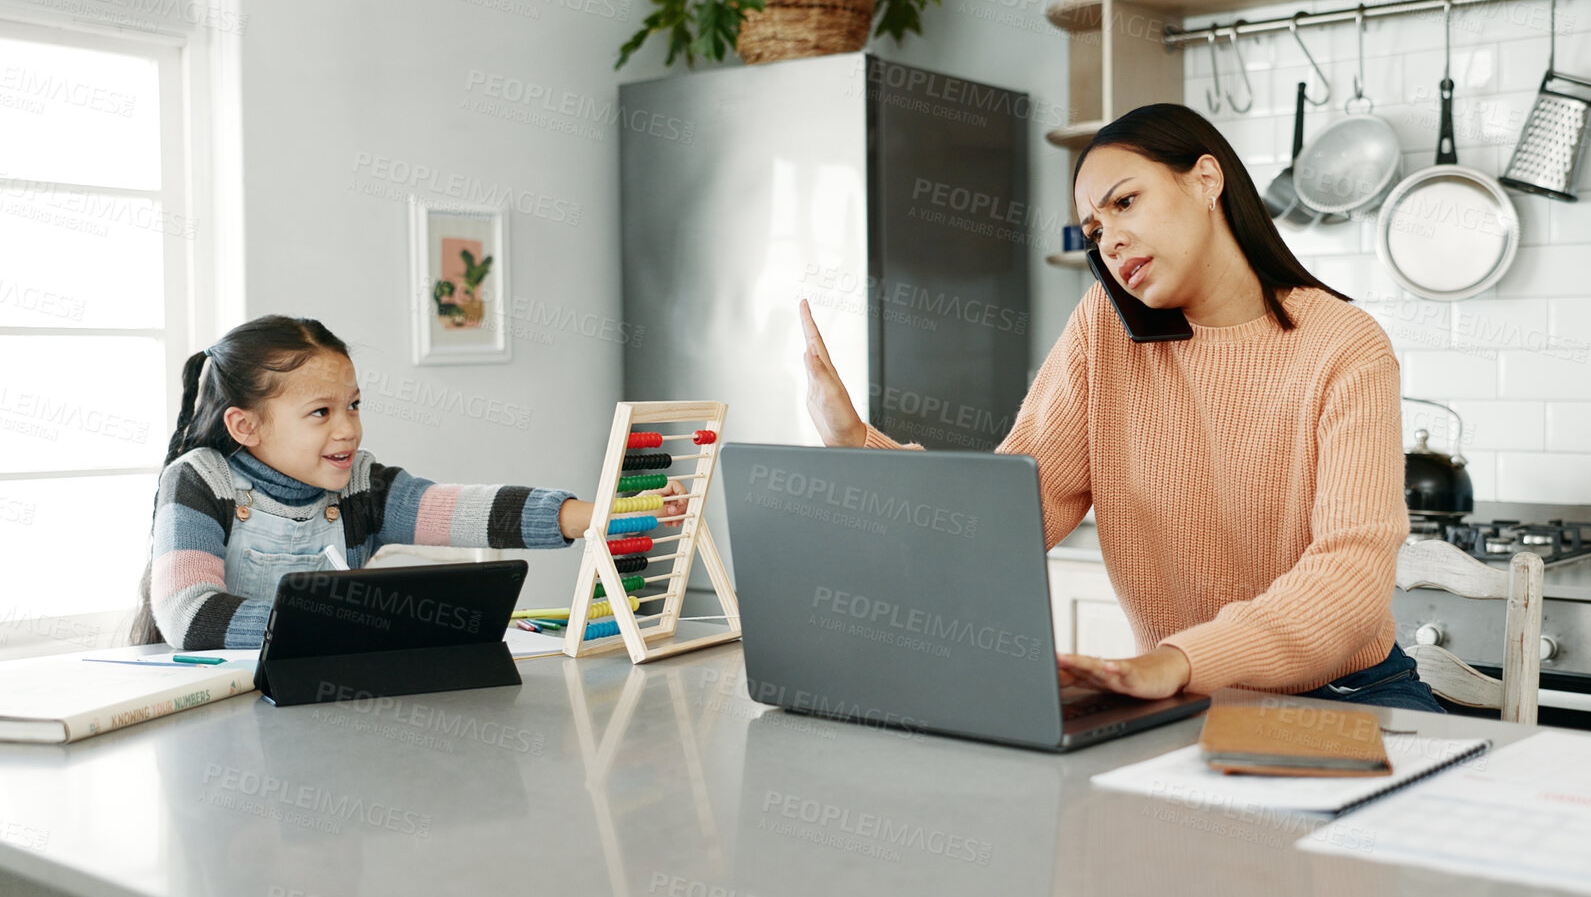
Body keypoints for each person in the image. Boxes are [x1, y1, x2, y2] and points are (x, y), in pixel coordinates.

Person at [798, 103, 1440, 712]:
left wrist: (1181, 659)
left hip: (1346, 696)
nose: (1110, 242)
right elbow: (1008, 515)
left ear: (1206, 180)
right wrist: (858, 448)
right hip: (1182, 697)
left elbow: (1351, 581)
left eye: (1126, 202)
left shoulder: (1343, 344)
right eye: (1096, 230)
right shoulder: (1104, 331)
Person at [130, 315, 686, 649]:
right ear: (244, 425)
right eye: (321, 413)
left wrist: (600, 513)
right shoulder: (199, 481)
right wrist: (346, 622)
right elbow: (190, 615)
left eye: (353, 405)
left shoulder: (358, 486)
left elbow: (462, 508)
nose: (349, 428)